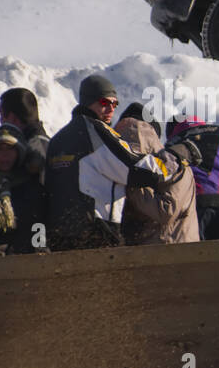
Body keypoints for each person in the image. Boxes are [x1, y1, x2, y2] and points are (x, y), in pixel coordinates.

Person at [44, 75, 188, 251]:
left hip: (59, 235)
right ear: (88, 101)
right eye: (105, 102)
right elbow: (137, 168)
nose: (111, 109)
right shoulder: (96, 132)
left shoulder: (58, 138)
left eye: (115, 104)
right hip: (96, 233)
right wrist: (175, 158)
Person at [115, 104, 201, 244]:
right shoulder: (178, 165)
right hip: (177, 254)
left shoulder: (174, 164)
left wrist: (130, 185)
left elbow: (166, 211)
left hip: (168, 253)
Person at [0, 125, 46, 256]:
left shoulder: (32, 188)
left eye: (10, 149)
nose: (4, 155)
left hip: (25, 261)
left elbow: (39, 224)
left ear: (19, 153)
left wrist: (40, 248)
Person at [0, 88, 49, 179]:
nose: (0, 120)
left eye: (1, 115)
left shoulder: (33, 147)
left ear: (12, 117)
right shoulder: (44, 142)